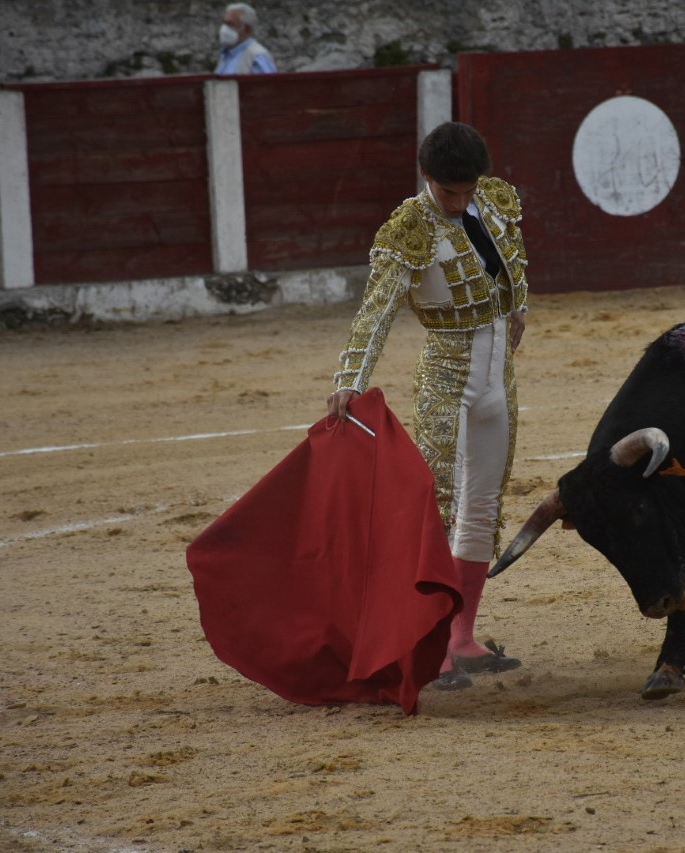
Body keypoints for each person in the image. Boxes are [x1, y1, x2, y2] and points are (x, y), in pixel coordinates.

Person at [327, 122, 530, 691]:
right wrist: (349, 378)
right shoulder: (408, 229)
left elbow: (512, 260)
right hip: (447, 373)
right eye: (450, 193)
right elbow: (377, 310)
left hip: (499, 374)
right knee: (439, 502)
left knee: (485, 504)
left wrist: (518, 307)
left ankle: (462, 637)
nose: (461, 202)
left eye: (467, 191)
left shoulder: (492, 200)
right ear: (427, 178)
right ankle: (430, 643)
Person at [215, 3, 277, 75]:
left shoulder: (257, 56)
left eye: (230, 24)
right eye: (225, 23)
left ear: (246, 29)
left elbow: (268, 85)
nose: (224, 29)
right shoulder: (226, 56)